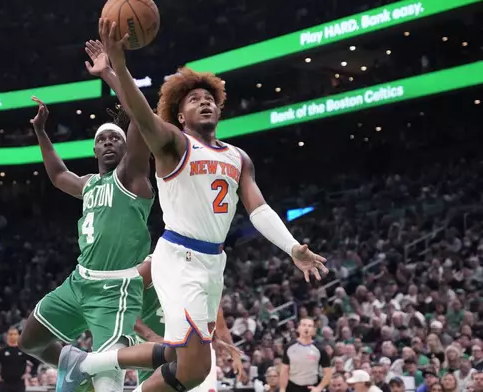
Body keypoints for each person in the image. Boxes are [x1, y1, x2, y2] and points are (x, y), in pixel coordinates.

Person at [55, 19, 327, 392]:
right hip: (179, 257)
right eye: (194, 99)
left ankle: (83, 363)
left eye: (210, 98)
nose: (205, 102)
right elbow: (140, 113)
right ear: (180, 116)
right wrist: (117, 67)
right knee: (191, 363)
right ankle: (86, 364)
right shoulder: (172, 143)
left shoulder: (238, 157)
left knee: (191, 369)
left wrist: (292, 247)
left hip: (213, 262)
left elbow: (259, 209)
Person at [17, 38, 153, 392]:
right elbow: (59, 176)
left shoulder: (133, 178)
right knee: (29, 341)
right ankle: (77, 365)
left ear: (126, 148)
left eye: (115, 138)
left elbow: (140, 115)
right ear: (94, 148)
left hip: (116, 288)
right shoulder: (90, 183)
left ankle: (95, 376)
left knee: (109, 379)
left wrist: (109, 72)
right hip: (80, 282)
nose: (109, 142)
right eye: (103, 139)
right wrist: (42, 133)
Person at [134, 256, 245, 392]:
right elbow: (121, 307)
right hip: (154, 349)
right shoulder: (151, 266)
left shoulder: (201, 269)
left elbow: (210, 314)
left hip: (188, 349)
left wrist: (215, 339)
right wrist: (151, 336)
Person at [279, 318, 332, 392]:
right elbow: (284, 371)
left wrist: (319, 388)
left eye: (310, 326)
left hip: (312, 387)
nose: (306, 328)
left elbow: (328, 373)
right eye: (304, 325)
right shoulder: (289, 347)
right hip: (292, 387)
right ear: (298, 328)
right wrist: (282, 389)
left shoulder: (320, 349)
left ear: (313, 330)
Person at [0, 328, 38, 392]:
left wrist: (31, 374)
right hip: (4, 383)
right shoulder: (1, 352)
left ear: (18, 336)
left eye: (15, 334)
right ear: (7, 336)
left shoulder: (24, 351)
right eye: (10, 334)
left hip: (19, 383)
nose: (12, 336)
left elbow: (36, 362)